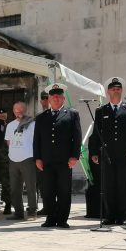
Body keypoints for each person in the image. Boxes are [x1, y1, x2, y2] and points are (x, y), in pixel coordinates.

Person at [89, 77, 126, 225]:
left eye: (118, 88)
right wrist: (94, 152)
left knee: (123, 186)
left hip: (125, 154)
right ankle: (110, 215)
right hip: (107, 155)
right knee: (109, 186)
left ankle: (122, 216)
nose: (116, 91)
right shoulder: (101, 111)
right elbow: (96, 133)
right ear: (108, 92)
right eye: (113, 89)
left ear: (121, 91)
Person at [34, 83, 82, 228]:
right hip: (46, 161)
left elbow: (77, 137)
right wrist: (37, 158)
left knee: (64, 191)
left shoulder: (72, 114)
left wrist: (74, 156)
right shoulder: (41, 117)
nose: (56, 98)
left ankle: (62, 219)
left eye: (58, 96)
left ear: (63, 99)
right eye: (53, 96)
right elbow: (37, 139)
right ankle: (50, 218)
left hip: (65, 160)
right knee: (48, 191)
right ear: (49, 99)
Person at [5, 101, 37, 220]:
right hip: (13, 159)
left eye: (20, 110)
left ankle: (32, 212)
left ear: (25, 110)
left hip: (28, 158)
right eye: (16, 110)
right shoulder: (10, 125)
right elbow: (8, 141)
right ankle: (18, 212)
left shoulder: (33, 124)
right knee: (14, 188)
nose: (18, 112)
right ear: (13, 111)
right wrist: (15, 151)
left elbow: (36, 141)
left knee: (30, 186)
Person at [0, 108, 11, 215]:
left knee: (6, 184)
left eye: (3, 116)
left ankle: (8, 204)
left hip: (6, 160)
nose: (1, 118)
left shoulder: (10, 127)